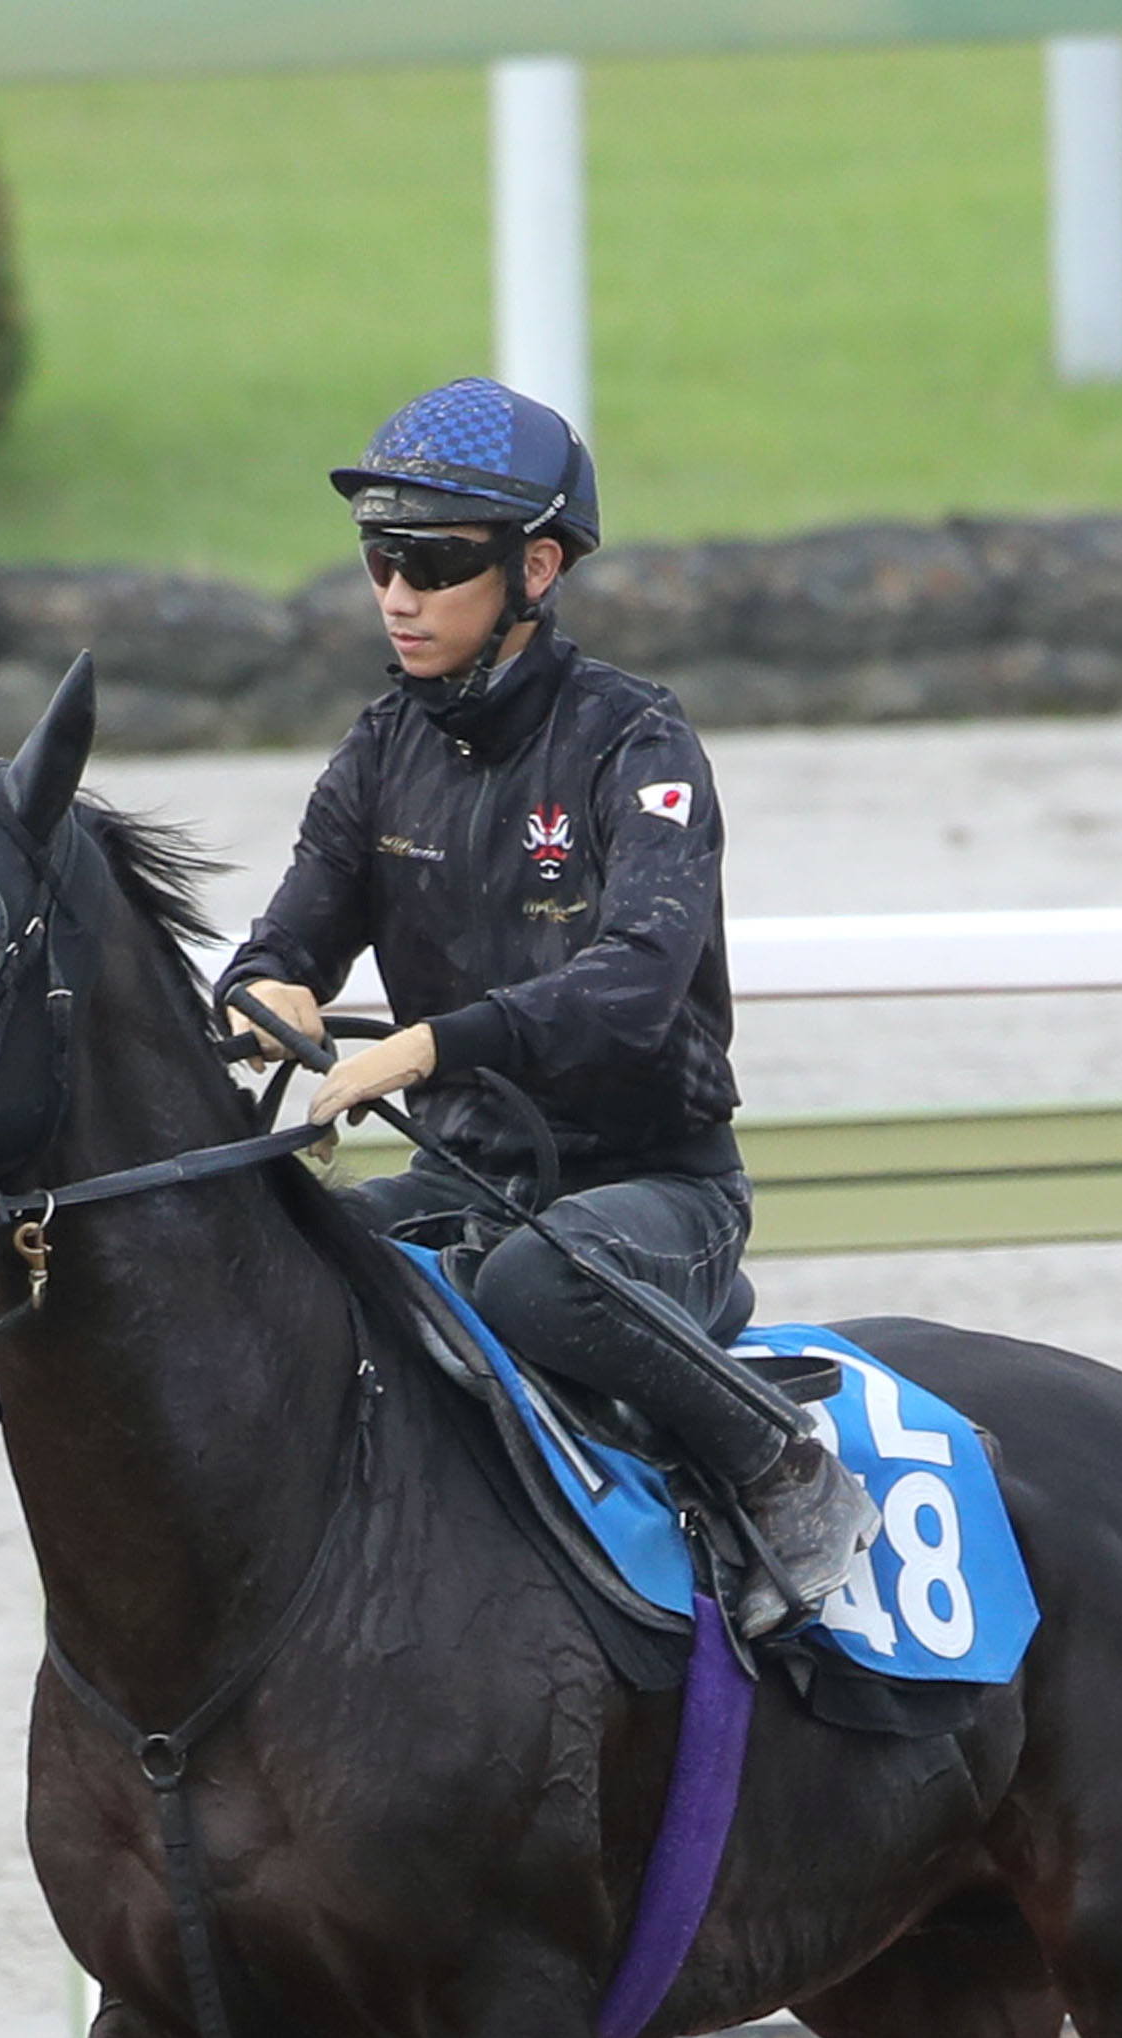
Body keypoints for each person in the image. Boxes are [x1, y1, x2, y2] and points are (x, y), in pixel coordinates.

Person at [214, 376, 877, 1635]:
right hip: (469, 1177)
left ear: (538, 567)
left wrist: (426, 1046)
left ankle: (787, 1468)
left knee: (538, 1277)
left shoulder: (641, 744)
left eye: (433, 562)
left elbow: (635, 986)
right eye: (378, 558)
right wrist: (261, 987)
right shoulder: (379, 749)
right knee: (283, 1250)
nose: (397, 594)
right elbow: (288, 934)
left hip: (655, 1191)